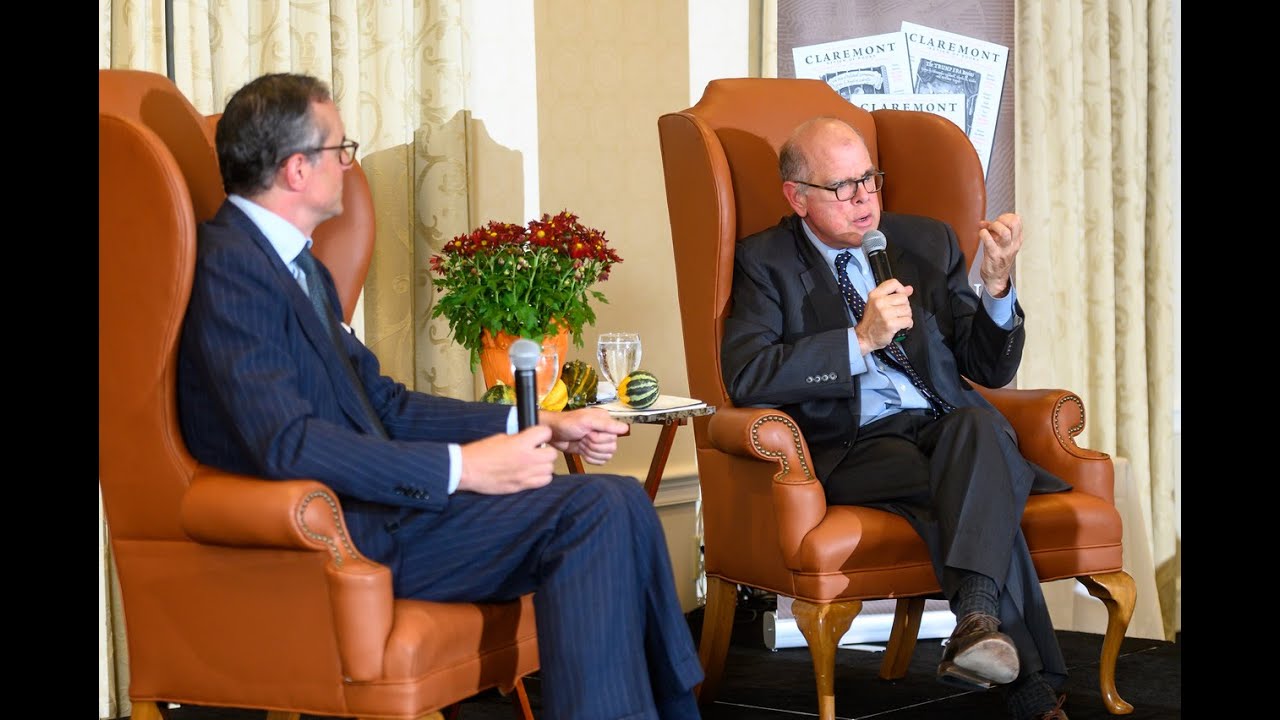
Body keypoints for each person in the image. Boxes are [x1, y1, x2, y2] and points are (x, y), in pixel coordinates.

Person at [177, 72, 703, 720]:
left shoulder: (298, 266)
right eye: (340, 149)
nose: (348, 164)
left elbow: (384, 404)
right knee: (596, 511)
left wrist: (538, 422)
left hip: (387, 512)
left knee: (618, 500)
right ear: (296, 169)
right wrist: (464, 469)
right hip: (342, 532)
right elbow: (287, 444)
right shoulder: (230, 268)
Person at [719, 116, 1072, 720]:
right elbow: (747, 374)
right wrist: (858, 341)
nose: (863, 199)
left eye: (869, 179)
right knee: (977, 475)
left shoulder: (926, 243)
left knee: (980, 427)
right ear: (797, 197)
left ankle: (984, 628)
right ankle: (1014, 666)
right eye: (842, 187)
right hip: (855, 443)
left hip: (946, 427)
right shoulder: (765, 261)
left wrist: (996, 287)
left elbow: (987, 368)